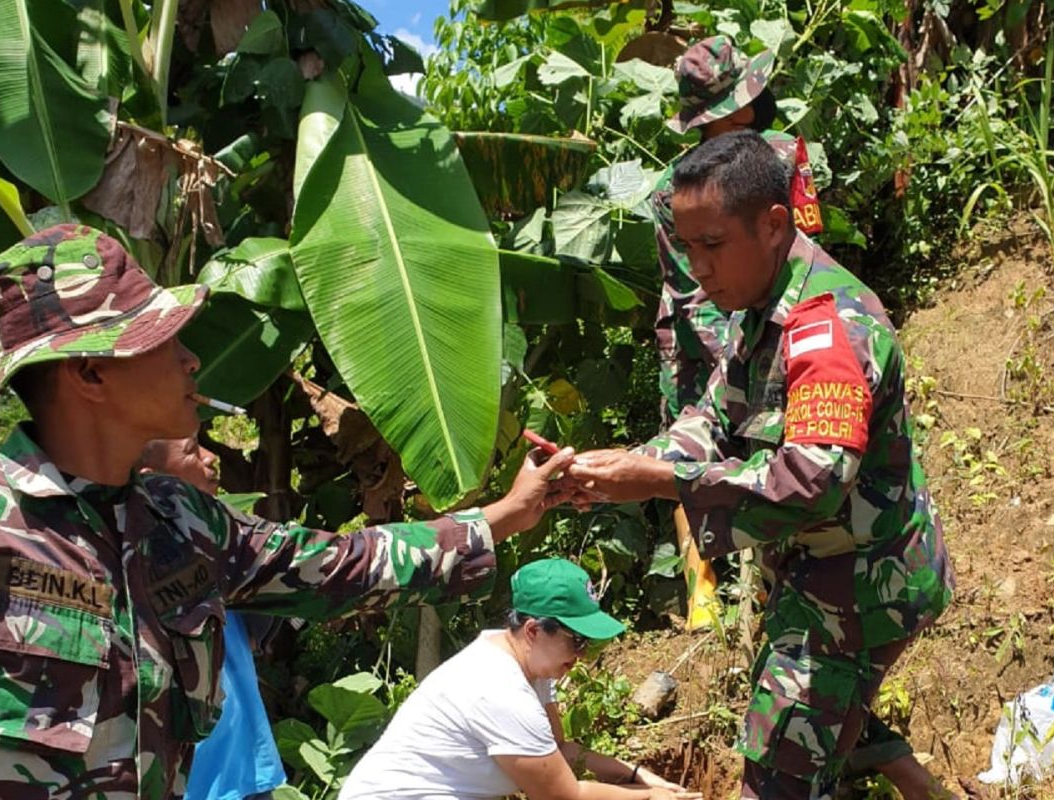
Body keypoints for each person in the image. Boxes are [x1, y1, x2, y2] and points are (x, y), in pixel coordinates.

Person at [0, 223, 574, 799]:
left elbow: (339, 565)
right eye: (160, 339)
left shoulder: (181, 521)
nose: (190, 360)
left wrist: (506, 514)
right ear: (91, 373)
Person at [567, 133, 955, 800]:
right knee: (822, 728)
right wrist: (624, 467)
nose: (698, 269)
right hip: (820, 579)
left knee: (777, 772)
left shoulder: (827, 328)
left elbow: (814, 478)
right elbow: (712, 419)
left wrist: (662, 480)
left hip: (862, 591)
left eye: (712, 246)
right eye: (687, 249)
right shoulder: (755, 310)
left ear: (774, 226)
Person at [653, 36, 824, 631]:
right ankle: (725, 591)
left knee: (718, 442)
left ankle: (723, 591)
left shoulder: (681, 183)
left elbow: (791, 252)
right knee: (718, 444)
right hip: (737, 329)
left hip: (722, 330)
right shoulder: (776, 161)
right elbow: (795, 252)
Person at [341, 558, 700, 800]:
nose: (582, 654)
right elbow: (564, 796)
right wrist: (653, 798)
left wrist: (639, 775)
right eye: (576, 640)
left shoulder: (531, 668)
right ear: (533, 630)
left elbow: (560, 751)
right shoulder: (499, 689)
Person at [139, 437, 285, 800]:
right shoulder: (133, 562)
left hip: (248, 768)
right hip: (188, 780)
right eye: (191, 452)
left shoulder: (224, 544)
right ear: (151, 479)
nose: (211, 459)